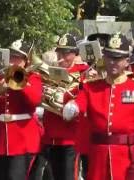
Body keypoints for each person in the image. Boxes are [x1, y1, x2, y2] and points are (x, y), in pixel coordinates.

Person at [63, 32, 134, 180]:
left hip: (128, 159)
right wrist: (73, 106)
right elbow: (81, 102)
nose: (112, 62)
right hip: (98, 158)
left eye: (117, 58)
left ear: (127, 61)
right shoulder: (91, 87)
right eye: (109, 57)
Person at [0, 37, 43, 180]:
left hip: (22, 140)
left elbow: (34, 100)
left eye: (17, 57)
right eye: (11, 56)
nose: (12, 60)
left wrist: (19, 79)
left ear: (25, 61)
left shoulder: (33, 78)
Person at [41, 33, 89, 180]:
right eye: (59, 52)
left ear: (74, 54)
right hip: (50, 135)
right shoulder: (49, 70)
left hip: (71, 137)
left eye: (66, 53)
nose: (61, 56)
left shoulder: (83, 71)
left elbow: (84, 97)